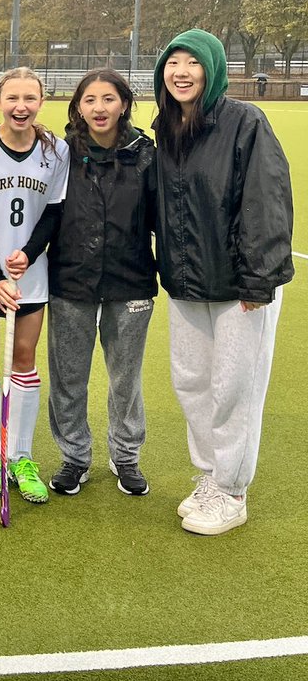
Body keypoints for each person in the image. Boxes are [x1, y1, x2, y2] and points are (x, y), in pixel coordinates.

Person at [152, 29, 293, 536]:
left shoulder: (245, 122)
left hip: (239, 287)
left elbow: (266, 200)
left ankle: (233, 491)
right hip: (188, 282)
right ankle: (211, 477)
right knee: (193, 384)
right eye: (173, 62)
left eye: (193, 62)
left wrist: (259, 280)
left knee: (235, 388)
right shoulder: (166, 127)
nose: (182, 71)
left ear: (213, 70)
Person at [46, 69, 157, 497]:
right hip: (71, 281)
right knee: (69, 377)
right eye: (89, 100)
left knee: (125, 378)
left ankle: (125, 456)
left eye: (108, 99)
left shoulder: (145, 155)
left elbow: (161, 219)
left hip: (131, 283)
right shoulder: (58, 154)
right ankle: (74, 457)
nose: (99, 108)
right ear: (78, 107)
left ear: (124, 104)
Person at [0, 67, 69, 505]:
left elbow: (54, 212)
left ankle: (22, 457)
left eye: (29, 98)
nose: (20, 106)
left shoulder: (55, 150)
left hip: (31, 276)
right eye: (12, 98)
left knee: (23, 359)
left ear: (41, 101)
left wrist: (30, 252)